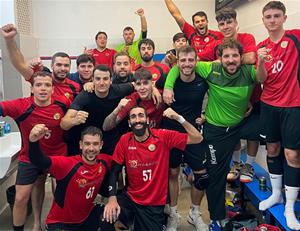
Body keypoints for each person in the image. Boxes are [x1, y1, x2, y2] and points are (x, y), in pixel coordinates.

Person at [164, 40, 260, 230]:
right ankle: (215, 216)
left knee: (279, 136)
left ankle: (195, 211)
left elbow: (262, 77)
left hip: (239, 123)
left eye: (235, 56)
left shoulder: (245, 70)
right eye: (226, 56)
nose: (230, 60)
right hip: (211, 131)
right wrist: (167, 86)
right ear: (219, 58)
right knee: (210, 174)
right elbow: (179, 66)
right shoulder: (208, 69)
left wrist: (250, 99)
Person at [103, 106, 203, 231]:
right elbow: (114, 171)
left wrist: (179, 118)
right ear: (129, 123)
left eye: (141, 115)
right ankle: (129, 220)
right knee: (106, 218)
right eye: (133, 117)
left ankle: (161, 219)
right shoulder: (125, 140)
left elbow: (197, 138)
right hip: (131, 198)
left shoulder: (162, 136)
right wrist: (112, 198)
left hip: (153, 203)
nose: (137, 120)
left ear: (147, 120)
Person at [0, 72, 68, 231]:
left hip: (57, 155)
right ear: (32, 88)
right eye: (38, 85)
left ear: (53, 88)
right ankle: (34, 224)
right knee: (20, 198)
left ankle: (58, 223)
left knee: (62, 194)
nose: (43, 89)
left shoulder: (63, 103)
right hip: (29, 157)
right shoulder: (21, 105)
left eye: (47, 85)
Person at [256, 1, 300, 230]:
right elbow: (261, 79)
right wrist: (260, 60)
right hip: (269, 105)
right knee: (272, 150)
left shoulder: (295, 37)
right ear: (263, 21)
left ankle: (290, 206)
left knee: (292, 155)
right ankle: (276, 195)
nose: (272, 20)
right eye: (268, 17)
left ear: (284, 17)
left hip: (293, 105)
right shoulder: (261, 46)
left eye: (276, 16)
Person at [158, 46, 209, 231]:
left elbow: (217, 96)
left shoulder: (203, 80)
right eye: (183, 60)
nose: (187, 64)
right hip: (171, 133)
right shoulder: (167, 79)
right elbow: (148, 88)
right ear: (177, 62)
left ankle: (194, 213)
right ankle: (173, 214)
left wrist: (206, 115)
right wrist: (159, 91)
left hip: (193, 134)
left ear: (196, 61)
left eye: (190, 60)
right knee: (172, 174)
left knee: (201, 176)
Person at [28, 125, 114, 231]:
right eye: (87, 144)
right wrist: (33, 141)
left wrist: (112, 198)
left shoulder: (104, 161)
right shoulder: (67, 164)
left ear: (101, 145)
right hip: (61, 223)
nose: (91, 148)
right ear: (81, 145)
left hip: (87, 217)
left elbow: (121, 161)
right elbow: (39, 161)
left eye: (95, 144)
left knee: (113, 214)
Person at [60, 64, 134, 155]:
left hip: (110, 138)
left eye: (105, 79)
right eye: (98, 79)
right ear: (93, 80)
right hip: (89, 139)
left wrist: (153, 89)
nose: (101, 83)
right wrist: (74, 120)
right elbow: (64, 124)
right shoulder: (85, 96)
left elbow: (138, 84)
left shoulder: (118, 89)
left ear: (111, 80)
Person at [1, 24, 81, 106]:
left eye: (66, 65)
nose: (63, 68)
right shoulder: (40, 79)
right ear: (52, 66)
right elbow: (20, 64)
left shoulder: (75, 87)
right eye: (59, 65)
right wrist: (9, 39)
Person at [103, 68, 166, 132]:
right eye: (138, 84)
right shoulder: (130, 101)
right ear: (135, 86)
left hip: (158, 137)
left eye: (145, 83)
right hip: (137, 138)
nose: (142, 88)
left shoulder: (162, 95)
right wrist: (117, 109)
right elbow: (106, 127)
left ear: (152, 84)